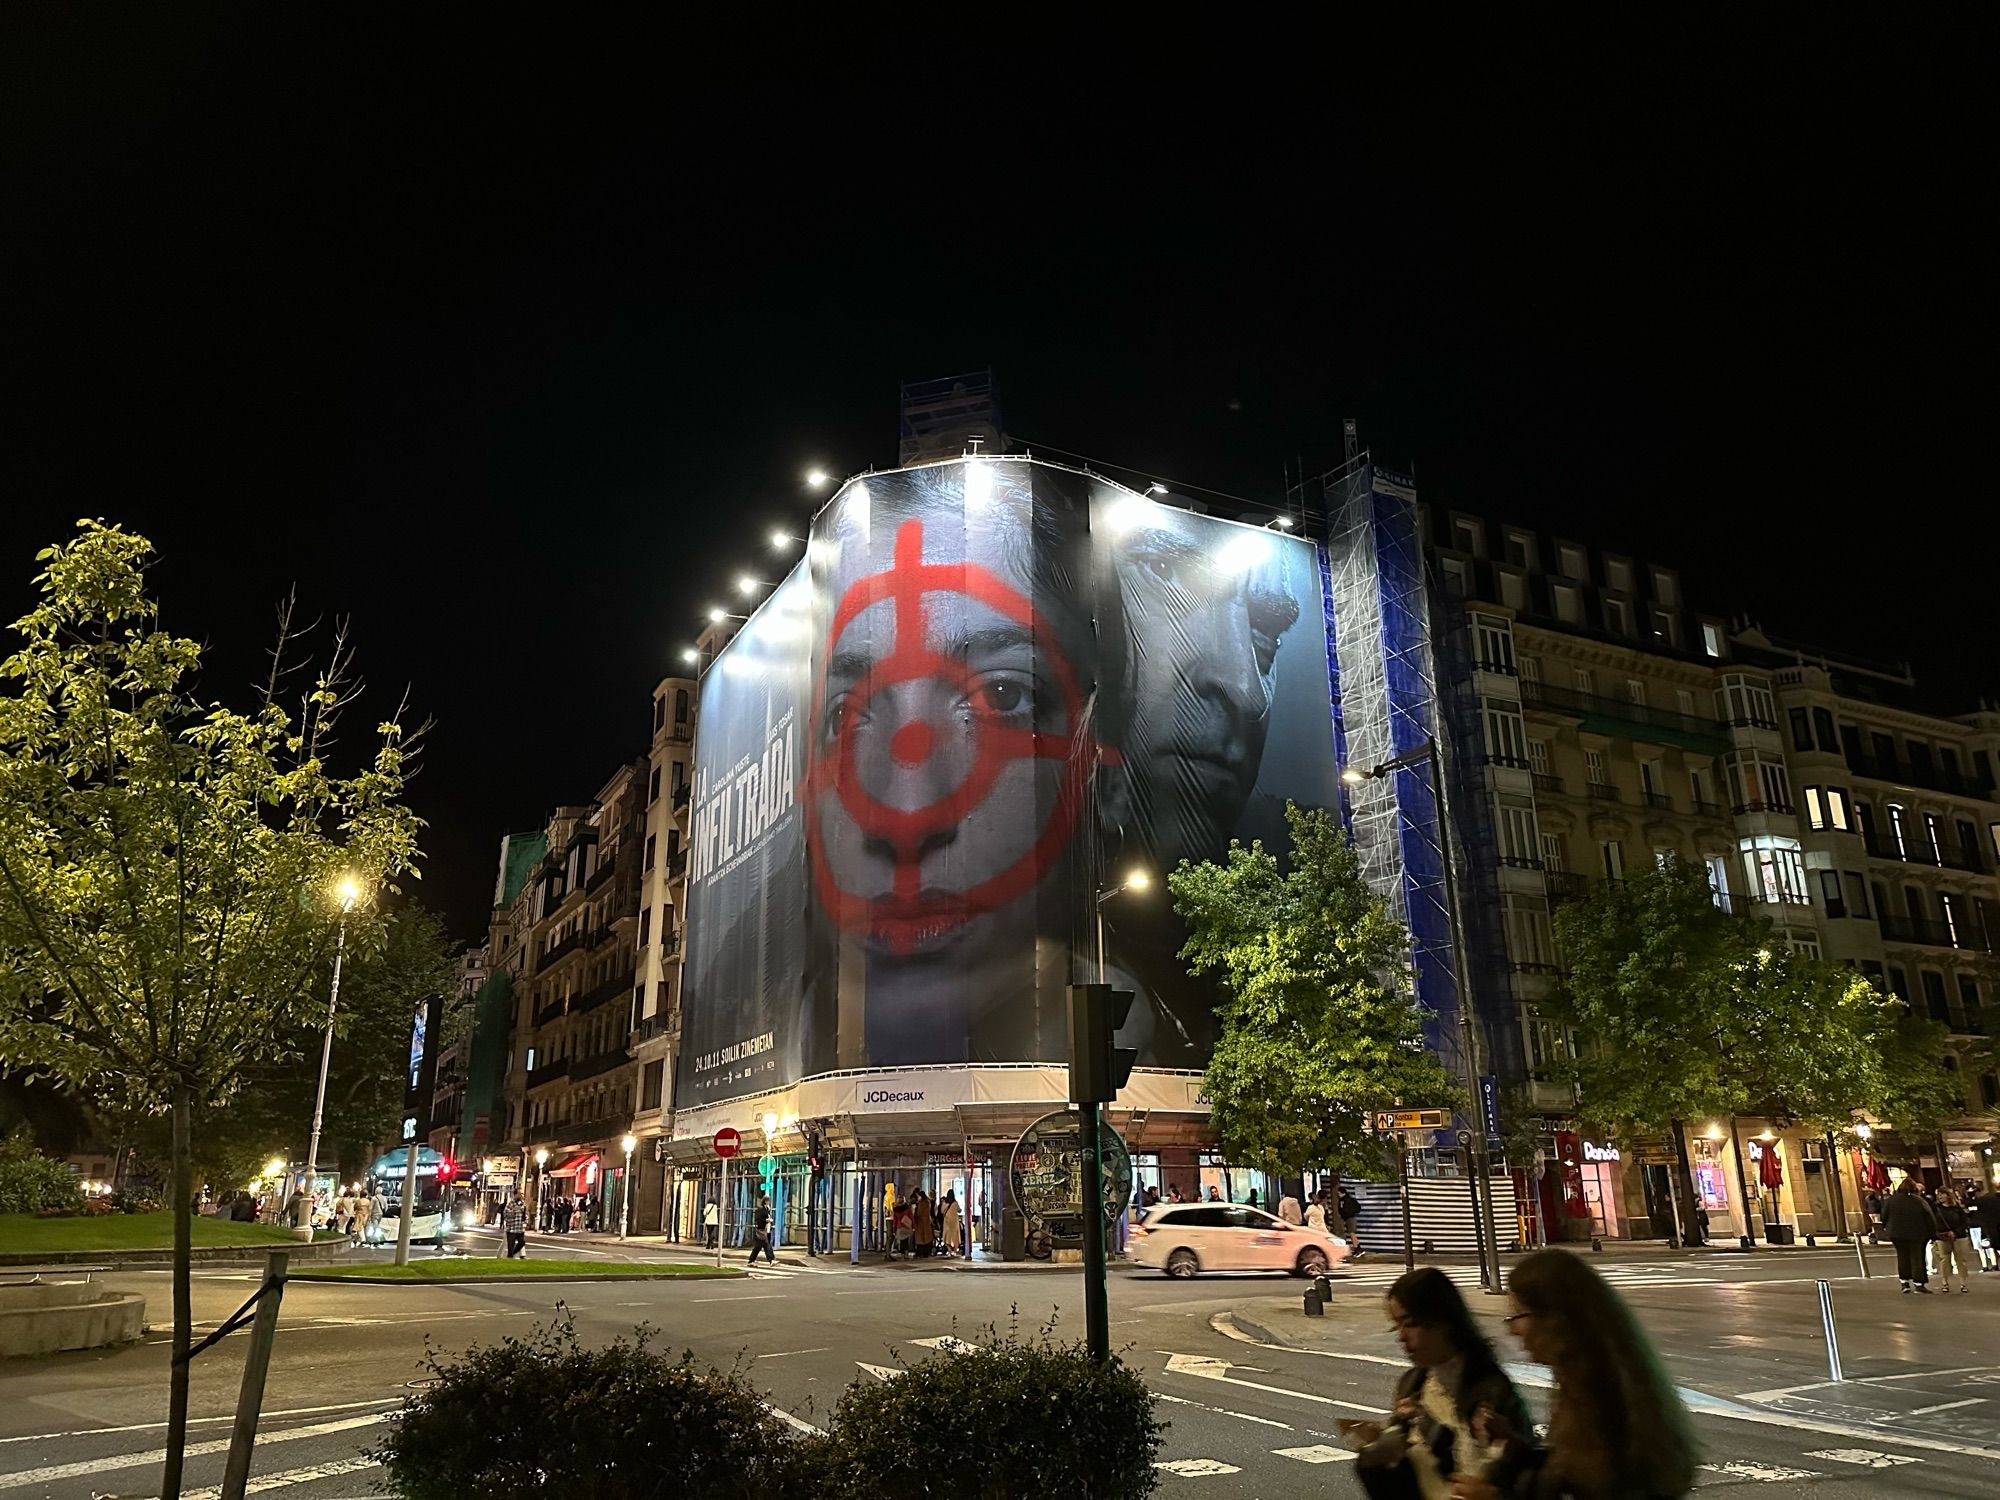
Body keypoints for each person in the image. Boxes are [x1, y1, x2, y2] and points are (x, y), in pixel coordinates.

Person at [1457, 1248, 1698, 1500]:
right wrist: (1514, 1447)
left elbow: (1594, 1486)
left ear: (1555, 1319)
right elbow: (1565, 1473)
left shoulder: (1599, 1397)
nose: (1512, 1329)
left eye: (1519, 1314)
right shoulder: (1582, 1382)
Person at [1343, 1267, 1529, 1499]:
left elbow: (1520, 1477)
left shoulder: (1492, 1390)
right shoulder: (1413, 1384)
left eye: (1410, 1324)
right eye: (1396, 1326)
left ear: (1442, 1320)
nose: (1401, 1336)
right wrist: (1386, 1445)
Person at [1882, 1177, 1940, 1293]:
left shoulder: (1891, 1200)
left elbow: (1884, 1215)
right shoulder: (1919, 1201)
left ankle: (1904, 1282)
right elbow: (1929, 1217)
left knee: (1902, 1256)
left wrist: (1887, 1227)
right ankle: (1918, 1284)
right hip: (1917, 1232)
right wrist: (1933, 1234)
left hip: (1897, 1233)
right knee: (1917, 1257)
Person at [1934, 1188, 1975, 1293]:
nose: (1940, 1197)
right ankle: (1945, 1282)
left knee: (1961, 1260)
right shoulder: (1936, 1208)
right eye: (1939, 1195)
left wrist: (1955, 1232)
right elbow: (1934, 1223)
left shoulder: (1957, 1209)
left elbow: (1965, 1222)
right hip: (1943, 1237)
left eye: (1942, 1194)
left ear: (1948, 1195)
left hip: (1959, 1236)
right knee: (1944, 1260)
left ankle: (1963, 1283)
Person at [1972, 1181, 2000, 1272]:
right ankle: (1992, 1265)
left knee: (1994, 1247)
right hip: (1990, 1227)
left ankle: (1993, 1264)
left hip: (1990, 1227)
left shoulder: (1985, 1200)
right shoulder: (1988, 1200)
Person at [748, 1194, 775, 1265]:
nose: (769, 1202)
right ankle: (771, 1260)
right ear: (765, 1201)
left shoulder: (767, 1209)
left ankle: (751, 1260)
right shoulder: (761, 1209)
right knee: (766, 1245)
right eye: (767, 1201)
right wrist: (766, 1220)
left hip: (766, 1230)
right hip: (761, 1230)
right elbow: (758, 1219)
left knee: (758, 1247)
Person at [502, 1194, 528, 1259]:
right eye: (520, 1197)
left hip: (520, 1228)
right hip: (511, 1228)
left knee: (522, 1242)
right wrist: (515, 1209)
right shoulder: (510, 1204)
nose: (521, 1199)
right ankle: (510, 1255)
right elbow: (506, 1213)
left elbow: (525, 1214)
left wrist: (525, 1220)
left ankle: (512, 1253)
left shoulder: (523, 1204)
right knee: (511, 1245)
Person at [941, 1190, 963, 1256]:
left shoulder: (945, 1203)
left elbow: (942, 1212)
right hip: (954, 1223)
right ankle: (955, 1251)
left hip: (947, 1222)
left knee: (946, 1237)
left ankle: (950, 1250)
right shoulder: (955, 1203)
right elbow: (959, 1210)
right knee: (955, 1237)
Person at [913, 1190, 934, 1258]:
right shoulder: (928, 1202)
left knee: (920, 1238)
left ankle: (920, 1253)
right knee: (926, 1238)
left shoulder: (921, 1203)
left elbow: (919, 1213)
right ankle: (926, 1253)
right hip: (926, 1222)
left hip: (920, 1223)